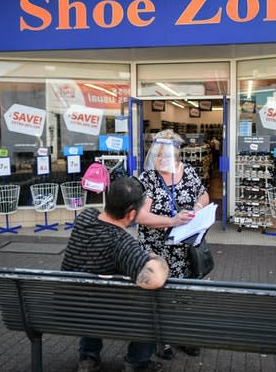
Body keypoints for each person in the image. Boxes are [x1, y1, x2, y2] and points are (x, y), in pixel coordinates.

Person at [61, 177, 170, 372]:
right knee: (152, 306)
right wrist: (157, 259)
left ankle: (88, 358)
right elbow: (155, 279)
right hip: (109, 316)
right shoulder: (121, 242)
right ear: (131, 214)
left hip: (70, 309)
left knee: (89, 295)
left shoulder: (84, 217)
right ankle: (137, 362)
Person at [136, 129, 210, 359]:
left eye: (164, 155)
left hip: (185, 250)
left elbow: (204, 195)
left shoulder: (187, 171)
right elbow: (140, 216)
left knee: (185, 295)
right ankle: (162, 341)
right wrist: (172, 220)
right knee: (159, 296)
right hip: (156, 252)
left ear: (177, 155)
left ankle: (183, 336)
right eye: (156, 155)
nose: (160, 159)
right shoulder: (147, 178)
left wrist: (197, 210)